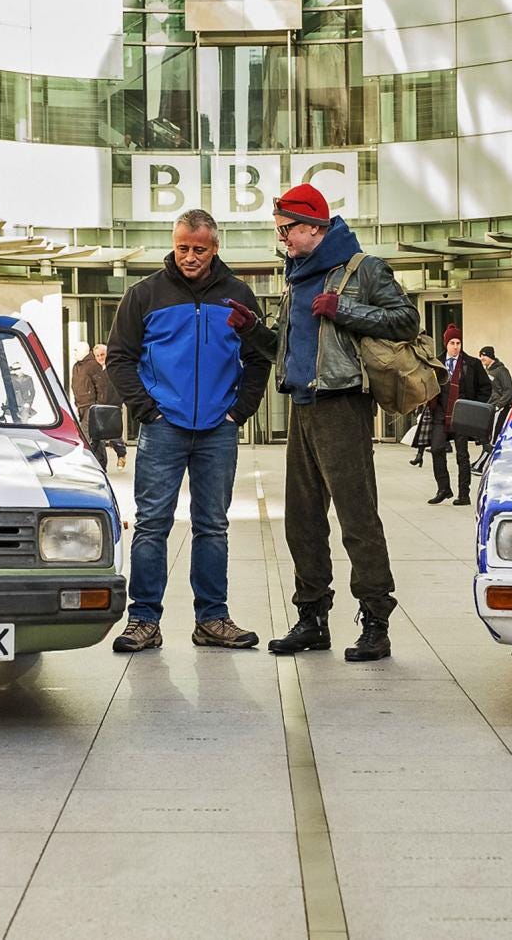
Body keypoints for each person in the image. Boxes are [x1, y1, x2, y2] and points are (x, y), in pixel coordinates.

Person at [235, 182, 419, 663]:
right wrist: (253, 330)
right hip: (303, 406)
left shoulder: (362, 269)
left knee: (357, 518)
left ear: (314, 226)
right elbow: (287, 345)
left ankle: (375, 622)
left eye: (287, 230)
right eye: (280, 231)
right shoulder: (296, 275)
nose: (283, 240)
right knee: (302, 521)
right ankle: (312, 618)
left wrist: (346, 309)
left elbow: (406, 320)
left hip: (343, 405)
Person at [105, 209, 270, 653]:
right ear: (173, 244)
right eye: (183, 248)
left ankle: (212, 619)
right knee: (152, 524)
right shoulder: (145, 295)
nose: (190, 257)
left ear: (215, 248)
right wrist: (146, 410)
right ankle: (143, 620)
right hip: (163, 428)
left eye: (199, 249)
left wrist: (240, 411)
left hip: (218, 428)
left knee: (213, 526)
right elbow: (118, 357)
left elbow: (260, 357)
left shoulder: (237, 296)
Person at [428, 325, 492, 506]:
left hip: (462, 414)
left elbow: (485, 387)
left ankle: (464, 494)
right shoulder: (436, 363)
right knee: (436, 449)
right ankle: (443, 488)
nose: (456, 346)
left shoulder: (472, 364)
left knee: (462, 456)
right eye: (452, 343)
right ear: (446, 344)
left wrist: (473, 407)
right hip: (441, 413)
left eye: (458, 343)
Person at [72, 344, 127, 470]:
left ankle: (120, 454)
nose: (100, 358)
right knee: (95, 437)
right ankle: (98, 464)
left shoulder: (111, 367)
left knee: (112, 435)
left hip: (109, 405)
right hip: (93, 406)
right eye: (97, 355)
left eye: (102, 355)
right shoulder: (83, 366)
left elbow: (108, 388)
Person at [479, 345, 512, 442]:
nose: (482, 358)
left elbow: (508, 390)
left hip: (498, 408)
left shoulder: (501, 370)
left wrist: (499, 405)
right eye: (481, 356)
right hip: (489, 407)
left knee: (495, 433)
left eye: (484, 355)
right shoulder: (486, 371)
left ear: (491, 356)